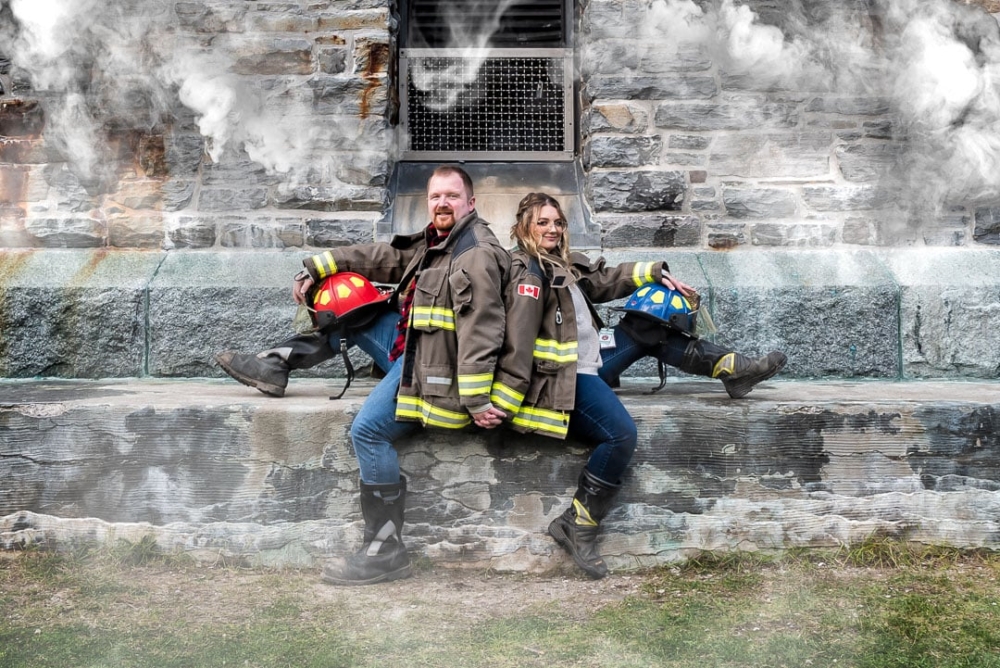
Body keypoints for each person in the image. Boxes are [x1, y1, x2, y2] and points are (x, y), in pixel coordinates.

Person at [216, 165, 511, 585]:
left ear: (470, 202)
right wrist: (321, 265)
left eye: (451, 196)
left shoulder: (475, 253)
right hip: (417, 347)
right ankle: (277, 364)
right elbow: (386, 257)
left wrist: (479, 399)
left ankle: (385, 549)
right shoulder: (439, 241)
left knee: (367, 432)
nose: (442, 204)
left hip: (436, 370)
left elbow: (485, 330)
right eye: (435, 197)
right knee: (350, 298)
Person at [491, 192, 785, 579]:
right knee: (621, 434)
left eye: (558, 222)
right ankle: (578, 523)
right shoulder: (526, 270)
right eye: (542, 222)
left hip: (588, 361)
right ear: (523, 226)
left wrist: (654, 274)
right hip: (561, 374)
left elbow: (601, 279)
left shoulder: (559, 263)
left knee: (646, 325)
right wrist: (504, 399)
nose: (552, 228)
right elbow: (519, 336)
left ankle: (732, 368)